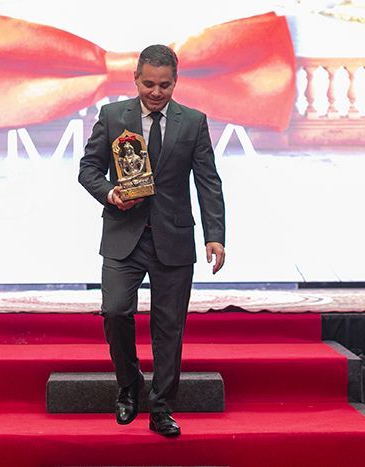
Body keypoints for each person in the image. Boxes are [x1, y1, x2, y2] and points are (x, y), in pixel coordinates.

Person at [78, 44, 225, 437]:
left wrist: (215, 236)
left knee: (169, 328)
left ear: (175, 82)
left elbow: (208, 182)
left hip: (173, 238)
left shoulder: (193, 122)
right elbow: (88, 168)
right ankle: (129, 386)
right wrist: (110, 193)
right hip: (123, 236)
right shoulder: (112, 116)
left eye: (164, 85)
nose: (156, 92)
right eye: (148, 84)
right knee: (114, 312)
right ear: (135, 79)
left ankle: (161, 408)